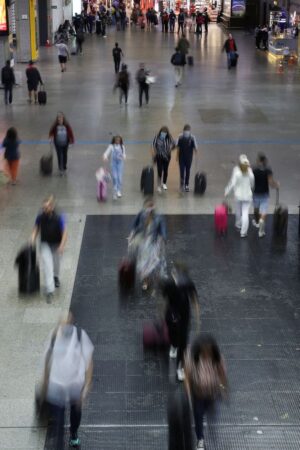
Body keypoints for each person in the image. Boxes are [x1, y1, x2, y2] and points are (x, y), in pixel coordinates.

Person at [41, 313, 94, 449]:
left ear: (71, 323)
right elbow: (47, 359)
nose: (65, 327)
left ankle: (73, 433)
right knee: (58, 421)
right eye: (62, 323)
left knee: (75, 413)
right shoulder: (53, 336)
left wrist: (86, 387)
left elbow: (89, 363)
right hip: (56, 385)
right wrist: (45, 381)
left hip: (75, 385)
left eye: (67, 323)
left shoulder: (80, 336)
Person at [184, 335, 228, 450]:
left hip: (213, 393)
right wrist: (188, 394)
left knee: (212, 416)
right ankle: (200, 439)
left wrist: (223, 388)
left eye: (209, 351)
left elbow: (222, 375)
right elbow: (187, 377)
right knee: (198, 416)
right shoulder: (192, 358)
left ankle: (212, 433)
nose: (207, 354)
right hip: (198, 394)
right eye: (204, 351)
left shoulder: (218, 359)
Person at [162, 263, 199, 381]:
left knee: (183, 342)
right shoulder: (168, 284)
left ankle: (180, 368)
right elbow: (164, 300)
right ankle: (173, 345)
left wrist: (198, 318)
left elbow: (194, 299)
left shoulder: (188, 284)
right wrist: (161, 314)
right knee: (173, 334)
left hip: (184, 315)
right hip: (172, 313)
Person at [31, 195, 67, 303]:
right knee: (47, 265)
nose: (44, 210)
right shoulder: (40, 217)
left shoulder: (59, 217)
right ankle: (50, 290)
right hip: (45, 243)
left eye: (46, 208)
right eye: (43, 208)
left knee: (56, 263)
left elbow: (64, 233)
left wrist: (62, 245)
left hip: (56, 243)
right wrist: (32, 239)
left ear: (51, 207)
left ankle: (55, 277)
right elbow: (36, 229)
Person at [129, 198, 166, 291]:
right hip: (143, 242)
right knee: (144, 263)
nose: (148, 210)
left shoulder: (158, 217)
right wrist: (132, 234)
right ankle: (146, 280)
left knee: (153, 262)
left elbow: (162, 228)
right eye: (147, 208)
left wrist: (163, 238)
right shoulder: (141, 214)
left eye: (150, 208)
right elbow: (135, 224)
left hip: (153, 242)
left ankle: (152, 277)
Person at [224, 154, 254, 238]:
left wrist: (227, 191)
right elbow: (252, 184)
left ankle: (238, 224)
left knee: (238, 210)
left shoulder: (236, 172)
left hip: (238, 195)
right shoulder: (250, 173)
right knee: (245, 213)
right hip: (247, 196)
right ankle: (243, 232)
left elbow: (232, 183)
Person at [252, 153, 279, 238]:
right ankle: (261, 229)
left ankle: (257, 222)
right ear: (265, 161)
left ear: (259, 160)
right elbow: (271, 183)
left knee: (256, 209)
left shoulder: (254, 169)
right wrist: (276, 185)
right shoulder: (268, 170)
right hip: (264, 194)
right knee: (263, 211)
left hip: (255, 193)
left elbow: (251, 181)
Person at [152, 126, 175, 192]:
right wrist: (154, 155)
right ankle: (159, 185)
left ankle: (164, 183)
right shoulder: (157, 137)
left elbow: (174, 144)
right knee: (159, 170)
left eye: (165, 133)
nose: (163, 134)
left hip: (167, 156)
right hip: (159, 156)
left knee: (165, 170)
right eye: (162, 133)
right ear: (160, 132)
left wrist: (171, 148)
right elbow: (153, 146)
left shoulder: (169, 137)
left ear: (167, 133)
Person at [103, 135, 126, 199]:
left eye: (119, 140)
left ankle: (119, 190)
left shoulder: (122, 147)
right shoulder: (111, 146)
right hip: (113, 164)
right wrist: (105, 157)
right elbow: (106, 153)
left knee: (119, 178)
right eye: (116, 140)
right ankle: (115, 190)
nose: (118, 141)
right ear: (114, 140)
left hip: (120, 164)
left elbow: (124, 154)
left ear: (120, 141)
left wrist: (123, 157)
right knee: (115, 177)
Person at [176, 124, 198, 192]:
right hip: (181, 157)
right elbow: (178, 147)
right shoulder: (180, 136)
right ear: (183, 130)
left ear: (190, 131)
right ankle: (181, 185)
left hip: (189, 157)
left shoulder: (192, 137)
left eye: (188, 131)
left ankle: (186, 185)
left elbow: (196, 147)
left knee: (188, 171)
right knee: (182, 171)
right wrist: (176, 156)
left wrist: (196, 154)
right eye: (186, 131)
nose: (186, 132)